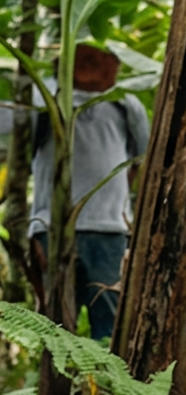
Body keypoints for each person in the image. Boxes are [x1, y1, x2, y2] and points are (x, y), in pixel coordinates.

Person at [27, 44, 150, 341]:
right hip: (52, 227)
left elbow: (143, 158)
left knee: (111, 327)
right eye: (85, 57)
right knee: (54, 330)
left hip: (109, 230)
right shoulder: (42, 98)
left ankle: (103, 388)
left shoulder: (125, 103)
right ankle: (55, 387)